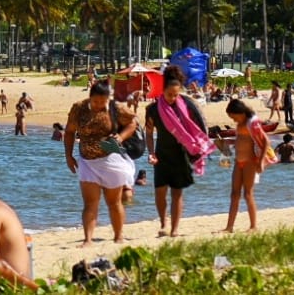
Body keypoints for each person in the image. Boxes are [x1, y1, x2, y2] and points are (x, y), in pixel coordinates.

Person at [65, 80, 138, 245]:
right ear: (90, 97)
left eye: (102, 102)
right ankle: (88, 239)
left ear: (108, 99)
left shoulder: (116, 108)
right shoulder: (79, 108)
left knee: (114, 202)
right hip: (87, 161)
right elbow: (69, 132)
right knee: (90, 203)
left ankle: (118, 236)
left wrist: (120, 137)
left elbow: (133, 123)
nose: (99, 105)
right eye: (95, 101)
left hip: (110, 160)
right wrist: (68, 156)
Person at [144, 64, 211, 238]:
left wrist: (199, 146)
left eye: (176, 94)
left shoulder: (185, 106)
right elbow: (149, 133)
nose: (173, 98)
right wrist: (150, 152)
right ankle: (163, 222)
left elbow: (198, 124)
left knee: (177, 192)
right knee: (160, 192)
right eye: (169, 94)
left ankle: (174, 229)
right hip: (161, 154)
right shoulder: (152, 110)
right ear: (162, 90)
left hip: (181, 154)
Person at [222, 98, 272, 233]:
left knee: (248, 194)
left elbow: (266, 141)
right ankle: (229, 227)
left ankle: (253, 226)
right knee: (234, 194)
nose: (233, 120)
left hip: (250, 162)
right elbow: (240, 140)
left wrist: (261, 161)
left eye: (233, 117)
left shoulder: (252, 123)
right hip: (238, 162)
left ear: (241, 113)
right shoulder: (240, 125)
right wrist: (227, 142)